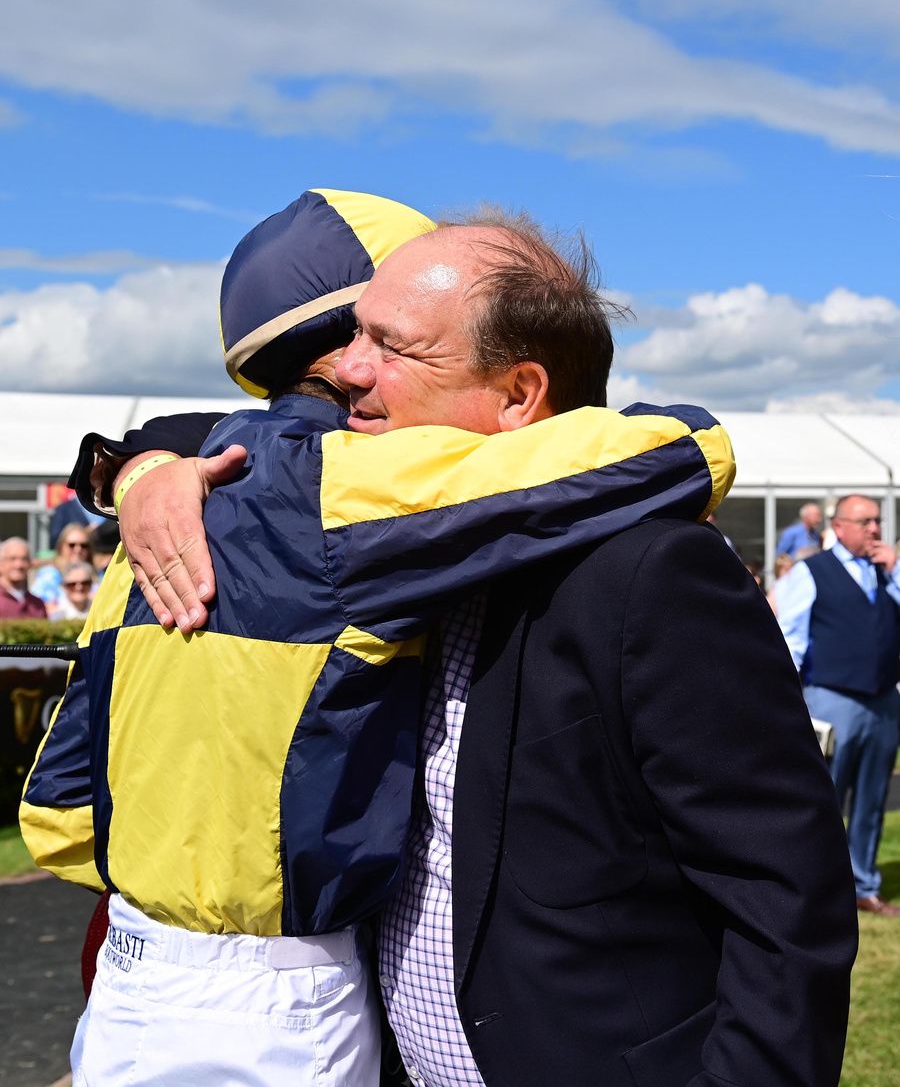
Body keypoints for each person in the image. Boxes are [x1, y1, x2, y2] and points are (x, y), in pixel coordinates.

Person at [61, 209, 855, 1087]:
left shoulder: (651, 571)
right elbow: (258, 439)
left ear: (520, 395)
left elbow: (783, 891)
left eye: (392, 346)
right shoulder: (375, 545)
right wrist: (142, 467)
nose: (348, 370)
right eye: (355, 335)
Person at [778, 493, 900, 917]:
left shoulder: (886, 571)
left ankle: (864, 885)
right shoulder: (812, 571)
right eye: (865, 521)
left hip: (883, 701)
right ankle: (814, 888)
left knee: (872, 799)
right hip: (832, 698)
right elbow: (790, 636)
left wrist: (895, 572)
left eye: (877, 521)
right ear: (840, 526)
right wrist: (786, 695)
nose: (875, 529)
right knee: (823, 797)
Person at [30, 523, 93, 612]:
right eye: (72, 545)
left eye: (83, 545)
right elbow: (37, 606)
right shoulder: (49, 575)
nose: (78, 549)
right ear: (61, 547)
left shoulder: (96, 575)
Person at [0, 537, 47, 619]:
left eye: (24, 559)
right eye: (12, 559)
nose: (19, 565)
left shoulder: (37, 605)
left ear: (30, 564)